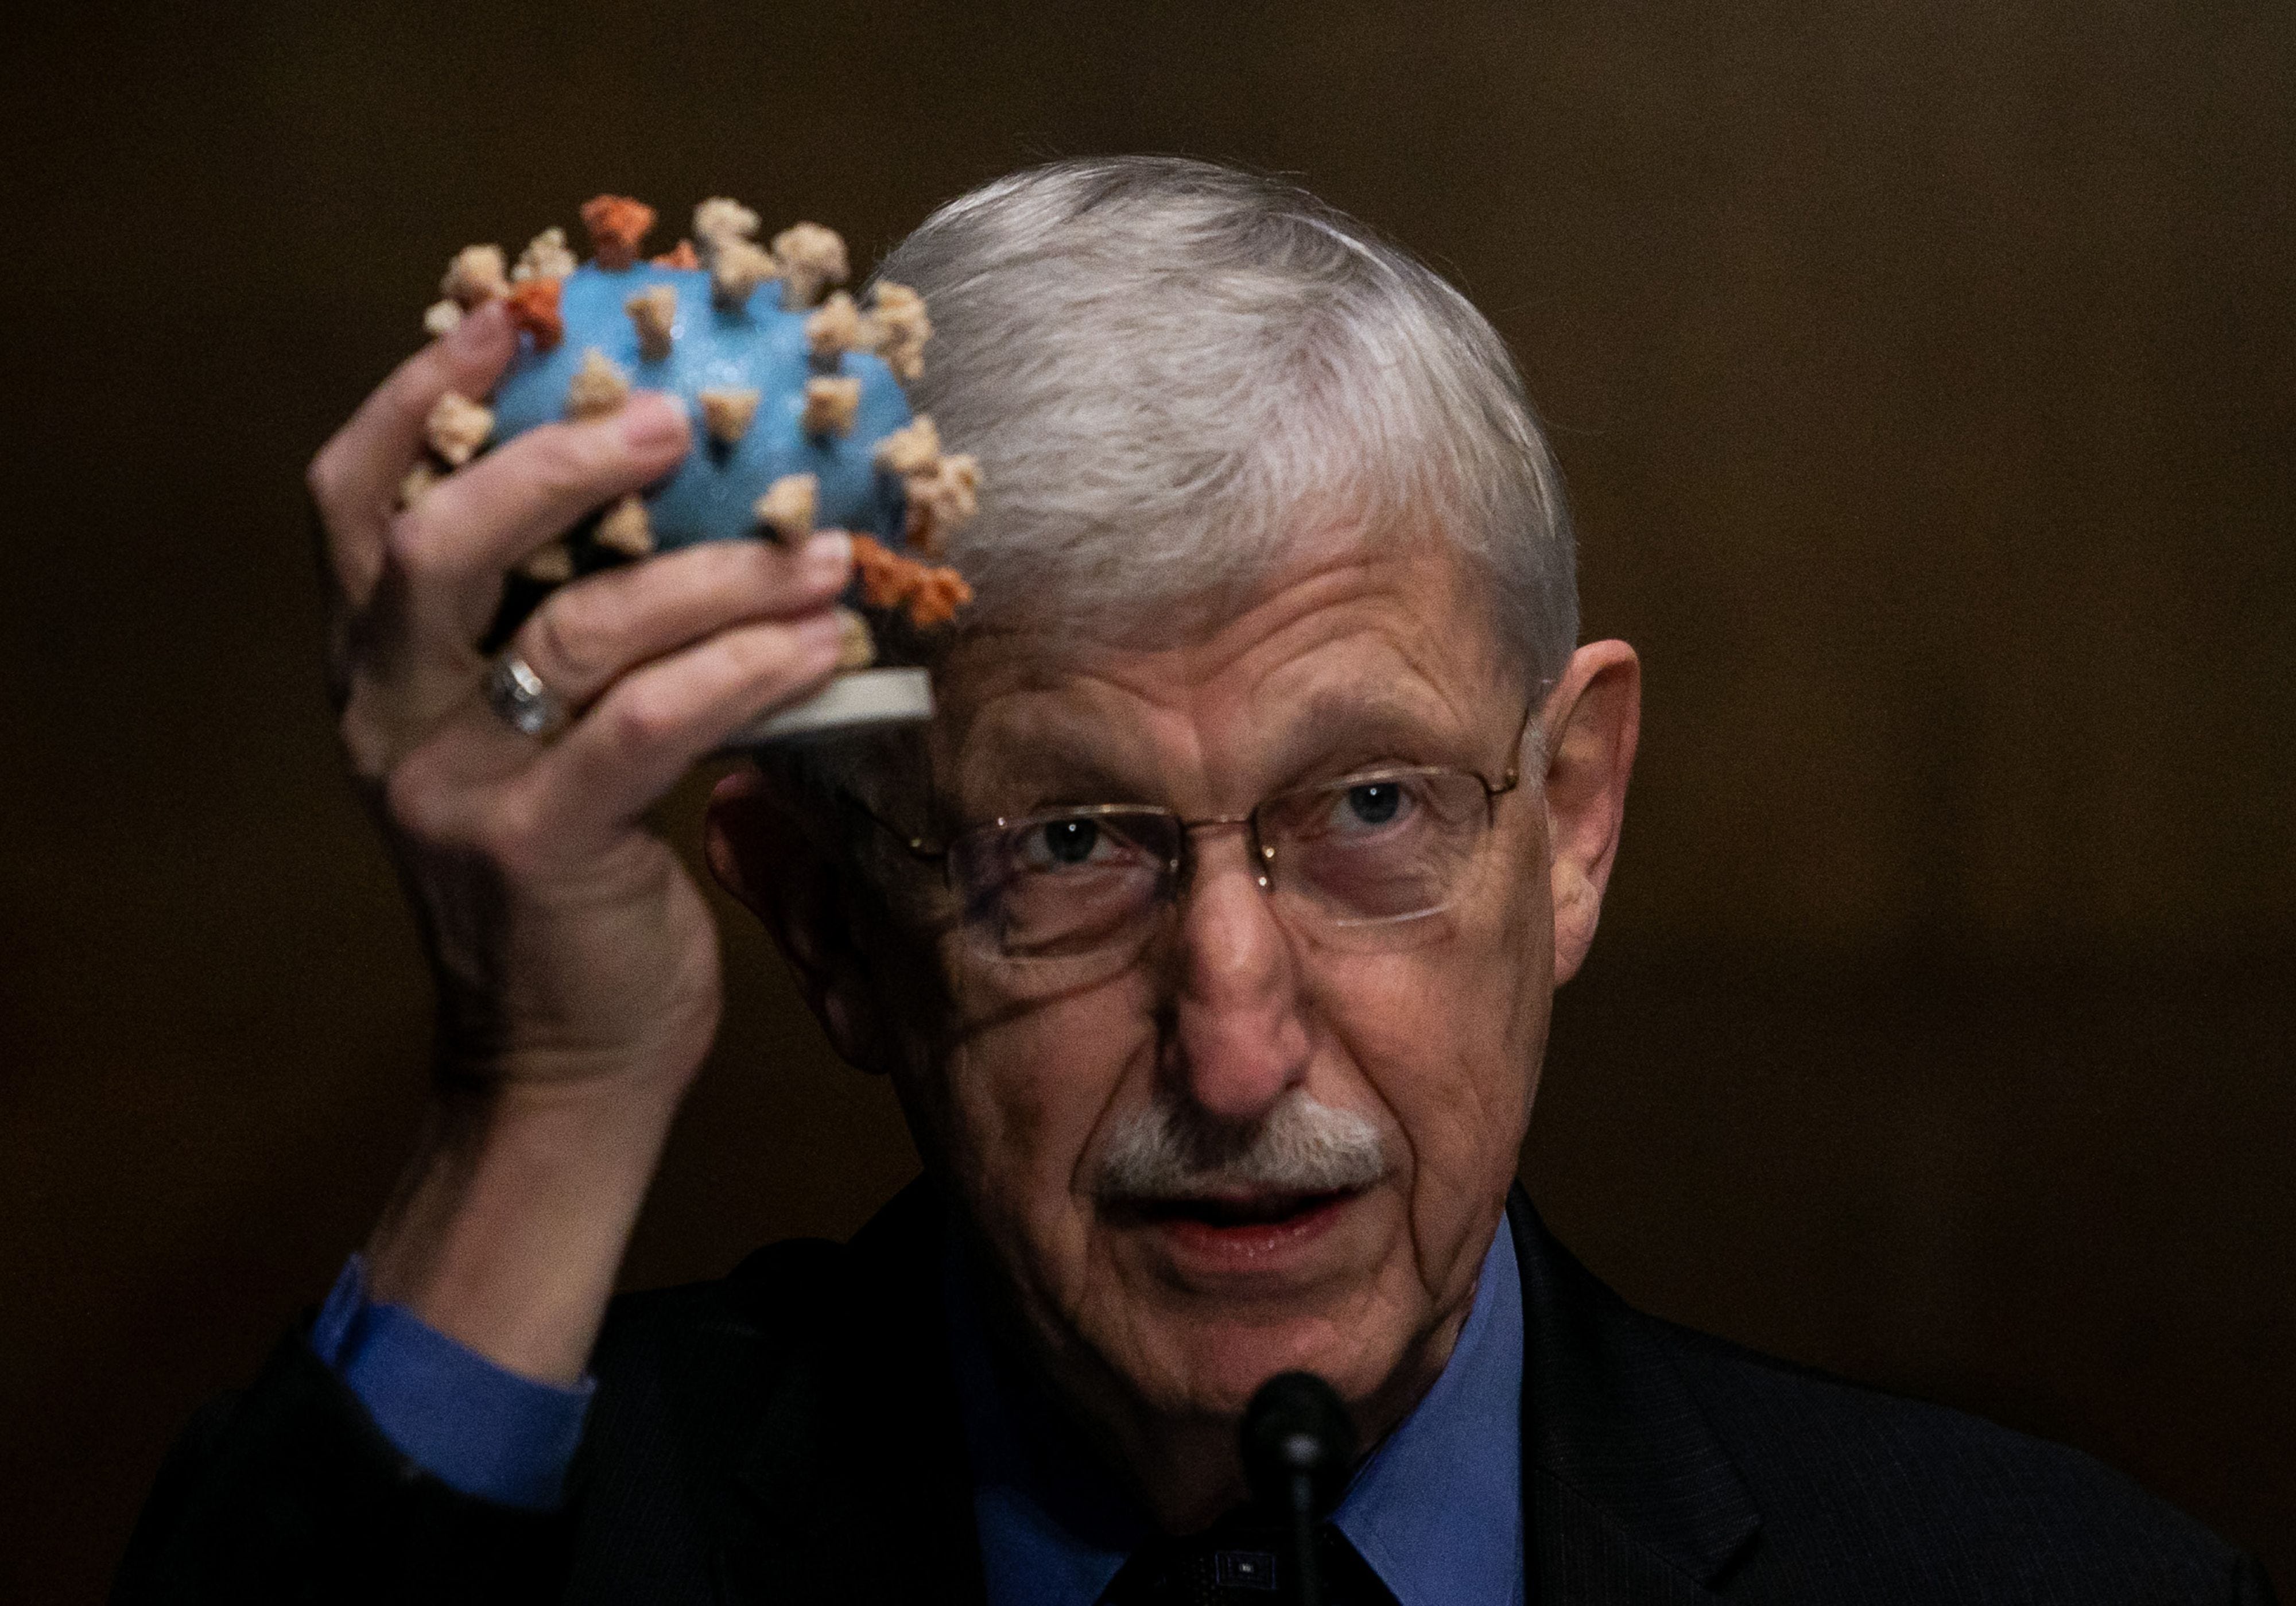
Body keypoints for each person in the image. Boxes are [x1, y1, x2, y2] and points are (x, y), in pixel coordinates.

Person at [116, 157, 2272, 1605]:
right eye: (1066, 844)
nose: (1236, 1044)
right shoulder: (542, 1538)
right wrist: (550, 1078)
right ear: (827, 921)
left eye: (1371, 813)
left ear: (1579, 817)